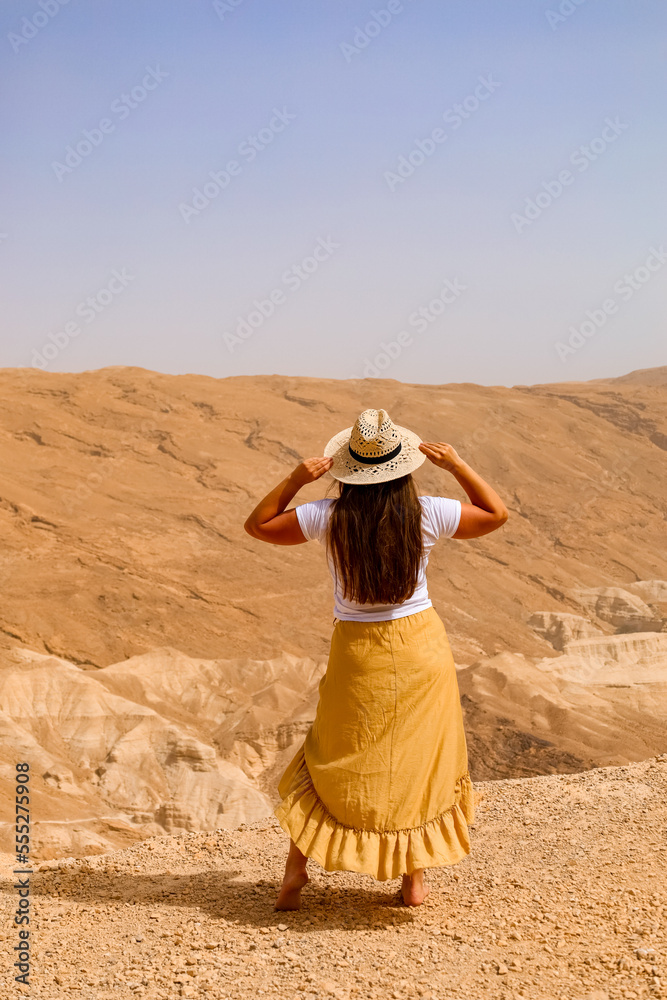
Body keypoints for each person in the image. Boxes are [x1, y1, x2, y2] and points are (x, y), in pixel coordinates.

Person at [243, 408, 508, 909]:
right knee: (417, 760)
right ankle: (412, 880)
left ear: (347, 469)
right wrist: (457, 465)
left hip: (356, 654)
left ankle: (295, 870)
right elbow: (495, 514)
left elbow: (258, 526)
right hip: (419, 647)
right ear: (404, 467)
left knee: (330, 754)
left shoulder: (328, 517)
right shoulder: (427, 512)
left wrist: (297, 479)